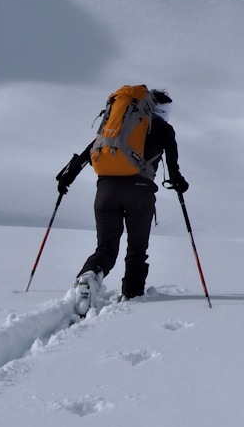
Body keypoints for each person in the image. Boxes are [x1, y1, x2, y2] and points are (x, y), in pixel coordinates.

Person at [55, 86, 189, 307]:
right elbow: (174, 170)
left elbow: (89, 152)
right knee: (137, 249)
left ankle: (90, 275)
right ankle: (132, 295)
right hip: (140, 192)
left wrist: (66, 178)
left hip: (106, 190)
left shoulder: (118, 125)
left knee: (105, 247)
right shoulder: (164, 129)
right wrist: (179, 183)